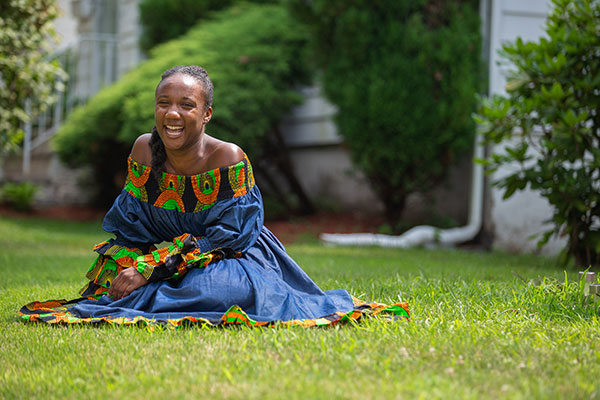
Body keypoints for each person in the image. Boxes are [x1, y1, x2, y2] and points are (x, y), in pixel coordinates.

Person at [19, 65, 409, 327]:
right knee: (113, 283)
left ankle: (158, 293)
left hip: (226, 256)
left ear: (206, 114)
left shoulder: (228, 157)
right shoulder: (142, 151)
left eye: (186, 105)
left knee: (218, 289)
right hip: (161, 255)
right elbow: (129, 228)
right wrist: (128, 265)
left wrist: (148, 270)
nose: (173, 114)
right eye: (164, 103)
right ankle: (157, 292)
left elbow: (227, 238)